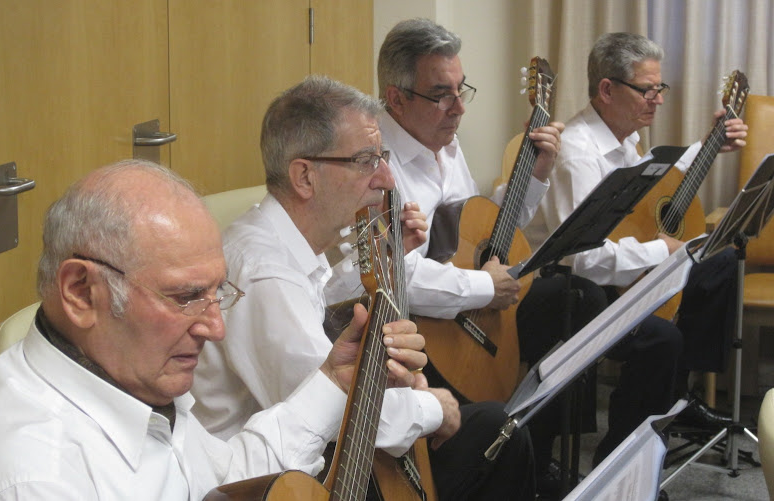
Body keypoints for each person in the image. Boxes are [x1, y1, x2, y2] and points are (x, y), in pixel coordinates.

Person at [0, 160, 428, 500]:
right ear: (81, 292)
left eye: (217, 292)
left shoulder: (122, 370)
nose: (215, 327)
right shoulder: (36, 476)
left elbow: (222, 480)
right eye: (186, 296)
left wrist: (336, 380)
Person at [191, 75, 536, 501]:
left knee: (487, 425)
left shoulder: (286, 243)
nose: (387, 178)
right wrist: (434, 407)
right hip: (267, 483)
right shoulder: (265, 273)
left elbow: (323, 301)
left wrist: (385, 259)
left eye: (382, 157)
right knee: (497, 430)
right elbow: (339, 413)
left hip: (311, 454)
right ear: (304, 177)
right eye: (367, 160)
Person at [321, 18, 608, 495]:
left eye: (461, 90)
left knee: (577, 299)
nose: (458, 108)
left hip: (466, 313)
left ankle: (539, 454)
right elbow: (391, 273)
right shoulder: (373, 163)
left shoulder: (446, 143)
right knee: (498, 412)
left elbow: (477, 231)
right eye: (441, 95)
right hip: (415, 330)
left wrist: (534, 174)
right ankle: (496, 457)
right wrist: (484, 287)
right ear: (396, 99)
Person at [524, 32, 748, 465]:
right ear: (607, 90)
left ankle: (678, 393)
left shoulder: (624, 139)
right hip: (572, 289)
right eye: (647, 90)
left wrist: (709, 146)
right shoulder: (579, 154)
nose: (658, 99)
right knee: (661, 339)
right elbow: (582, 258)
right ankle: (618, 462)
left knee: (720, 263)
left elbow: (654, 183)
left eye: (659, 88)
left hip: (615, 273)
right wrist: (662, 252)